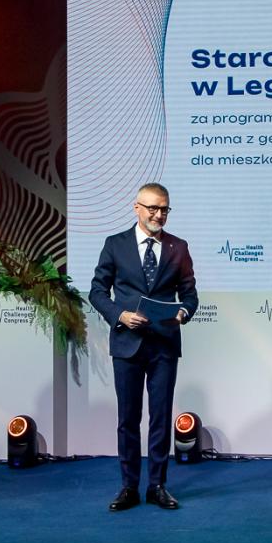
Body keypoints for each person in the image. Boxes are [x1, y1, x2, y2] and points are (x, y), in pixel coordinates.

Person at [90, 183, 198, 511]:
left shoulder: (179, 247)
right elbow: (97, 291)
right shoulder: (115, 245)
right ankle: (128, 487)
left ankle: (157, 486)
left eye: (164, 209)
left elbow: (190, 294)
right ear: (136, 207)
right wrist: (119, 315)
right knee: (128, 419)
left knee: (160, 418)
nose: (158, 215)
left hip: (164, 343)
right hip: (127, 344)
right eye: (153, 208)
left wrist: (183, 312)